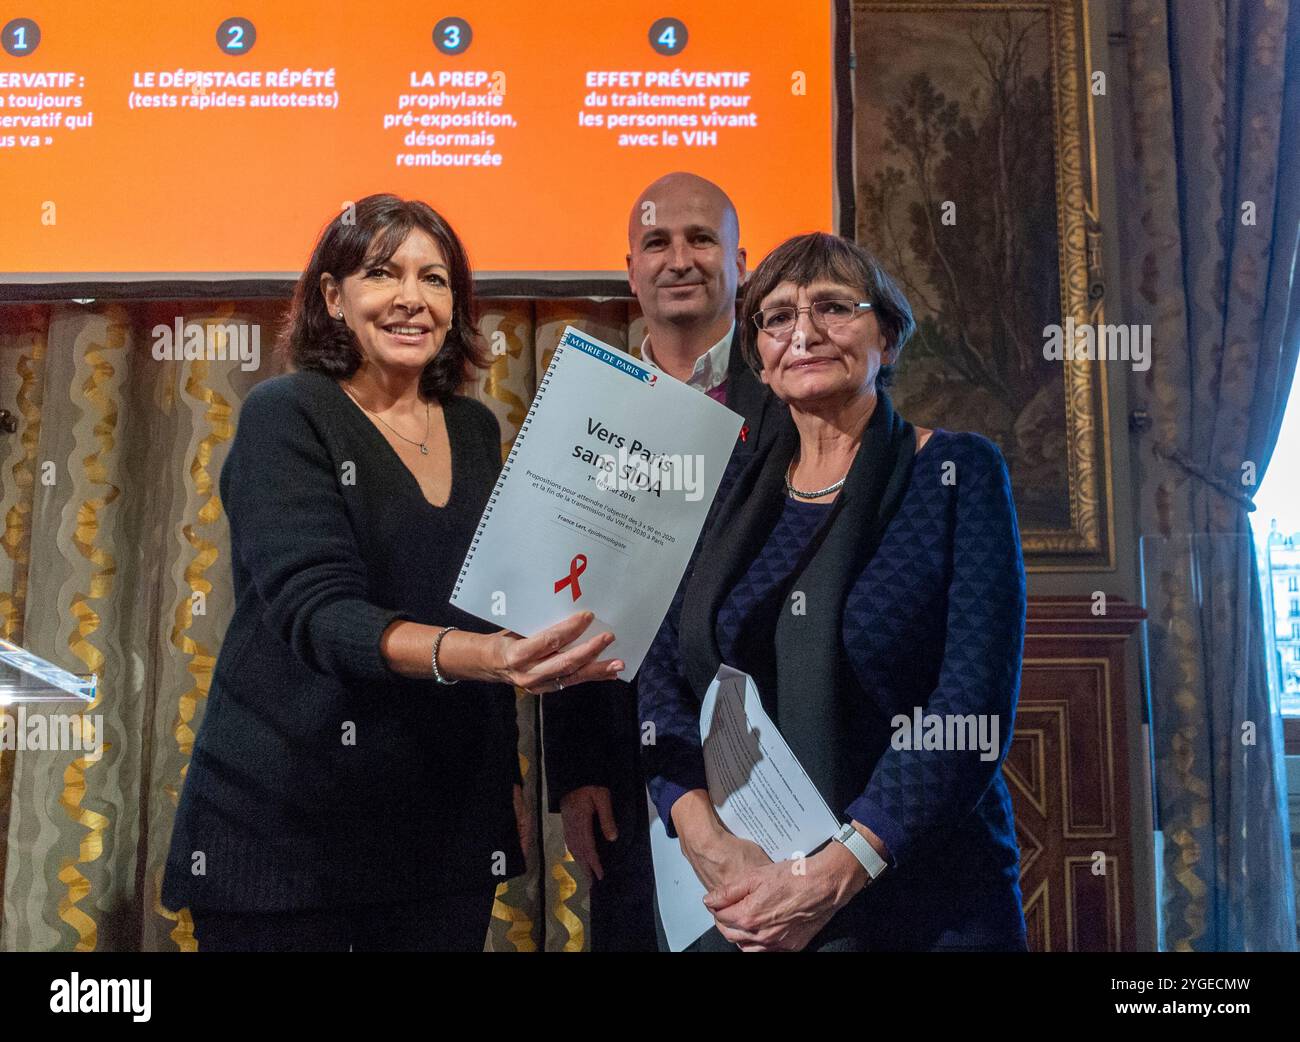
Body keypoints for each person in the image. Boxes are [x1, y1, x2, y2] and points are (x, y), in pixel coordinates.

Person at [161, 194, 621, 952]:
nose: (413, 298)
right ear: (334, 299)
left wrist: (502, 772)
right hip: (291, 833)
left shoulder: (474, 428)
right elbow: (318, 612)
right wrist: (490, 659)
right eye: (384, 273)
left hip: (443, 829)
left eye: (435, 280)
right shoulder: (287, 413)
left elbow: (488, 604)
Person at [638, 231, 1028, 951]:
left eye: (833, 308)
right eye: (778, 316)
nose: (805, 334)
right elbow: (662, 672)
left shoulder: (957, 474)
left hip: (919, 892)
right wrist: (706, 841)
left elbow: (970, 706)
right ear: (757, 351)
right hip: (742, 892)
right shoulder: (725, 487)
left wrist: (837, 870)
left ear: (887, 332)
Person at [541, 172, 786, 951]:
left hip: (776, 752)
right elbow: (562, 586)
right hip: (624, 761)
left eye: (701, 239)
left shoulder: (792, 392)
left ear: (740, 261)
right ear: (631, 271)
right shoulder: (587, 405)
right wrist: (576, 769)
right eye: (657, 242)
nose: (679, 259)